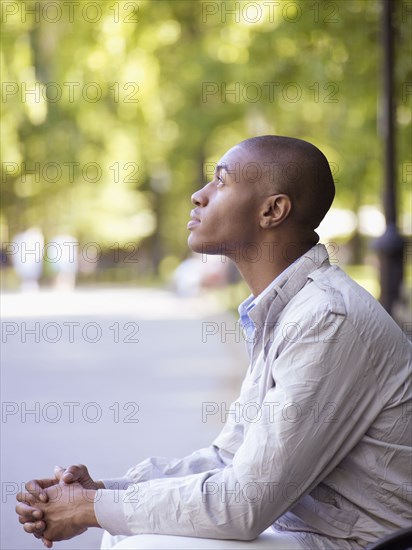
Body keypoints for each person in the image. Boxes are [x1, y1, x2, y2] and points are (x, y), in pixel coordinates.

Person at [16, 136, 411, 549]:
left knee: (138, 544)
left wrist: (88, 508)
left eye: (220, 183)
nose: (198, 195)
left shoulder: (326, 318)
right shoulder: (287, 309)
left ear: (272, 210)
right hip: (305, 530)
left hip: (363, 544)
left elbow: (243, 504)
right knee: (125, 535)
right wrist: (101, 492)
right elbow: (229, 459)